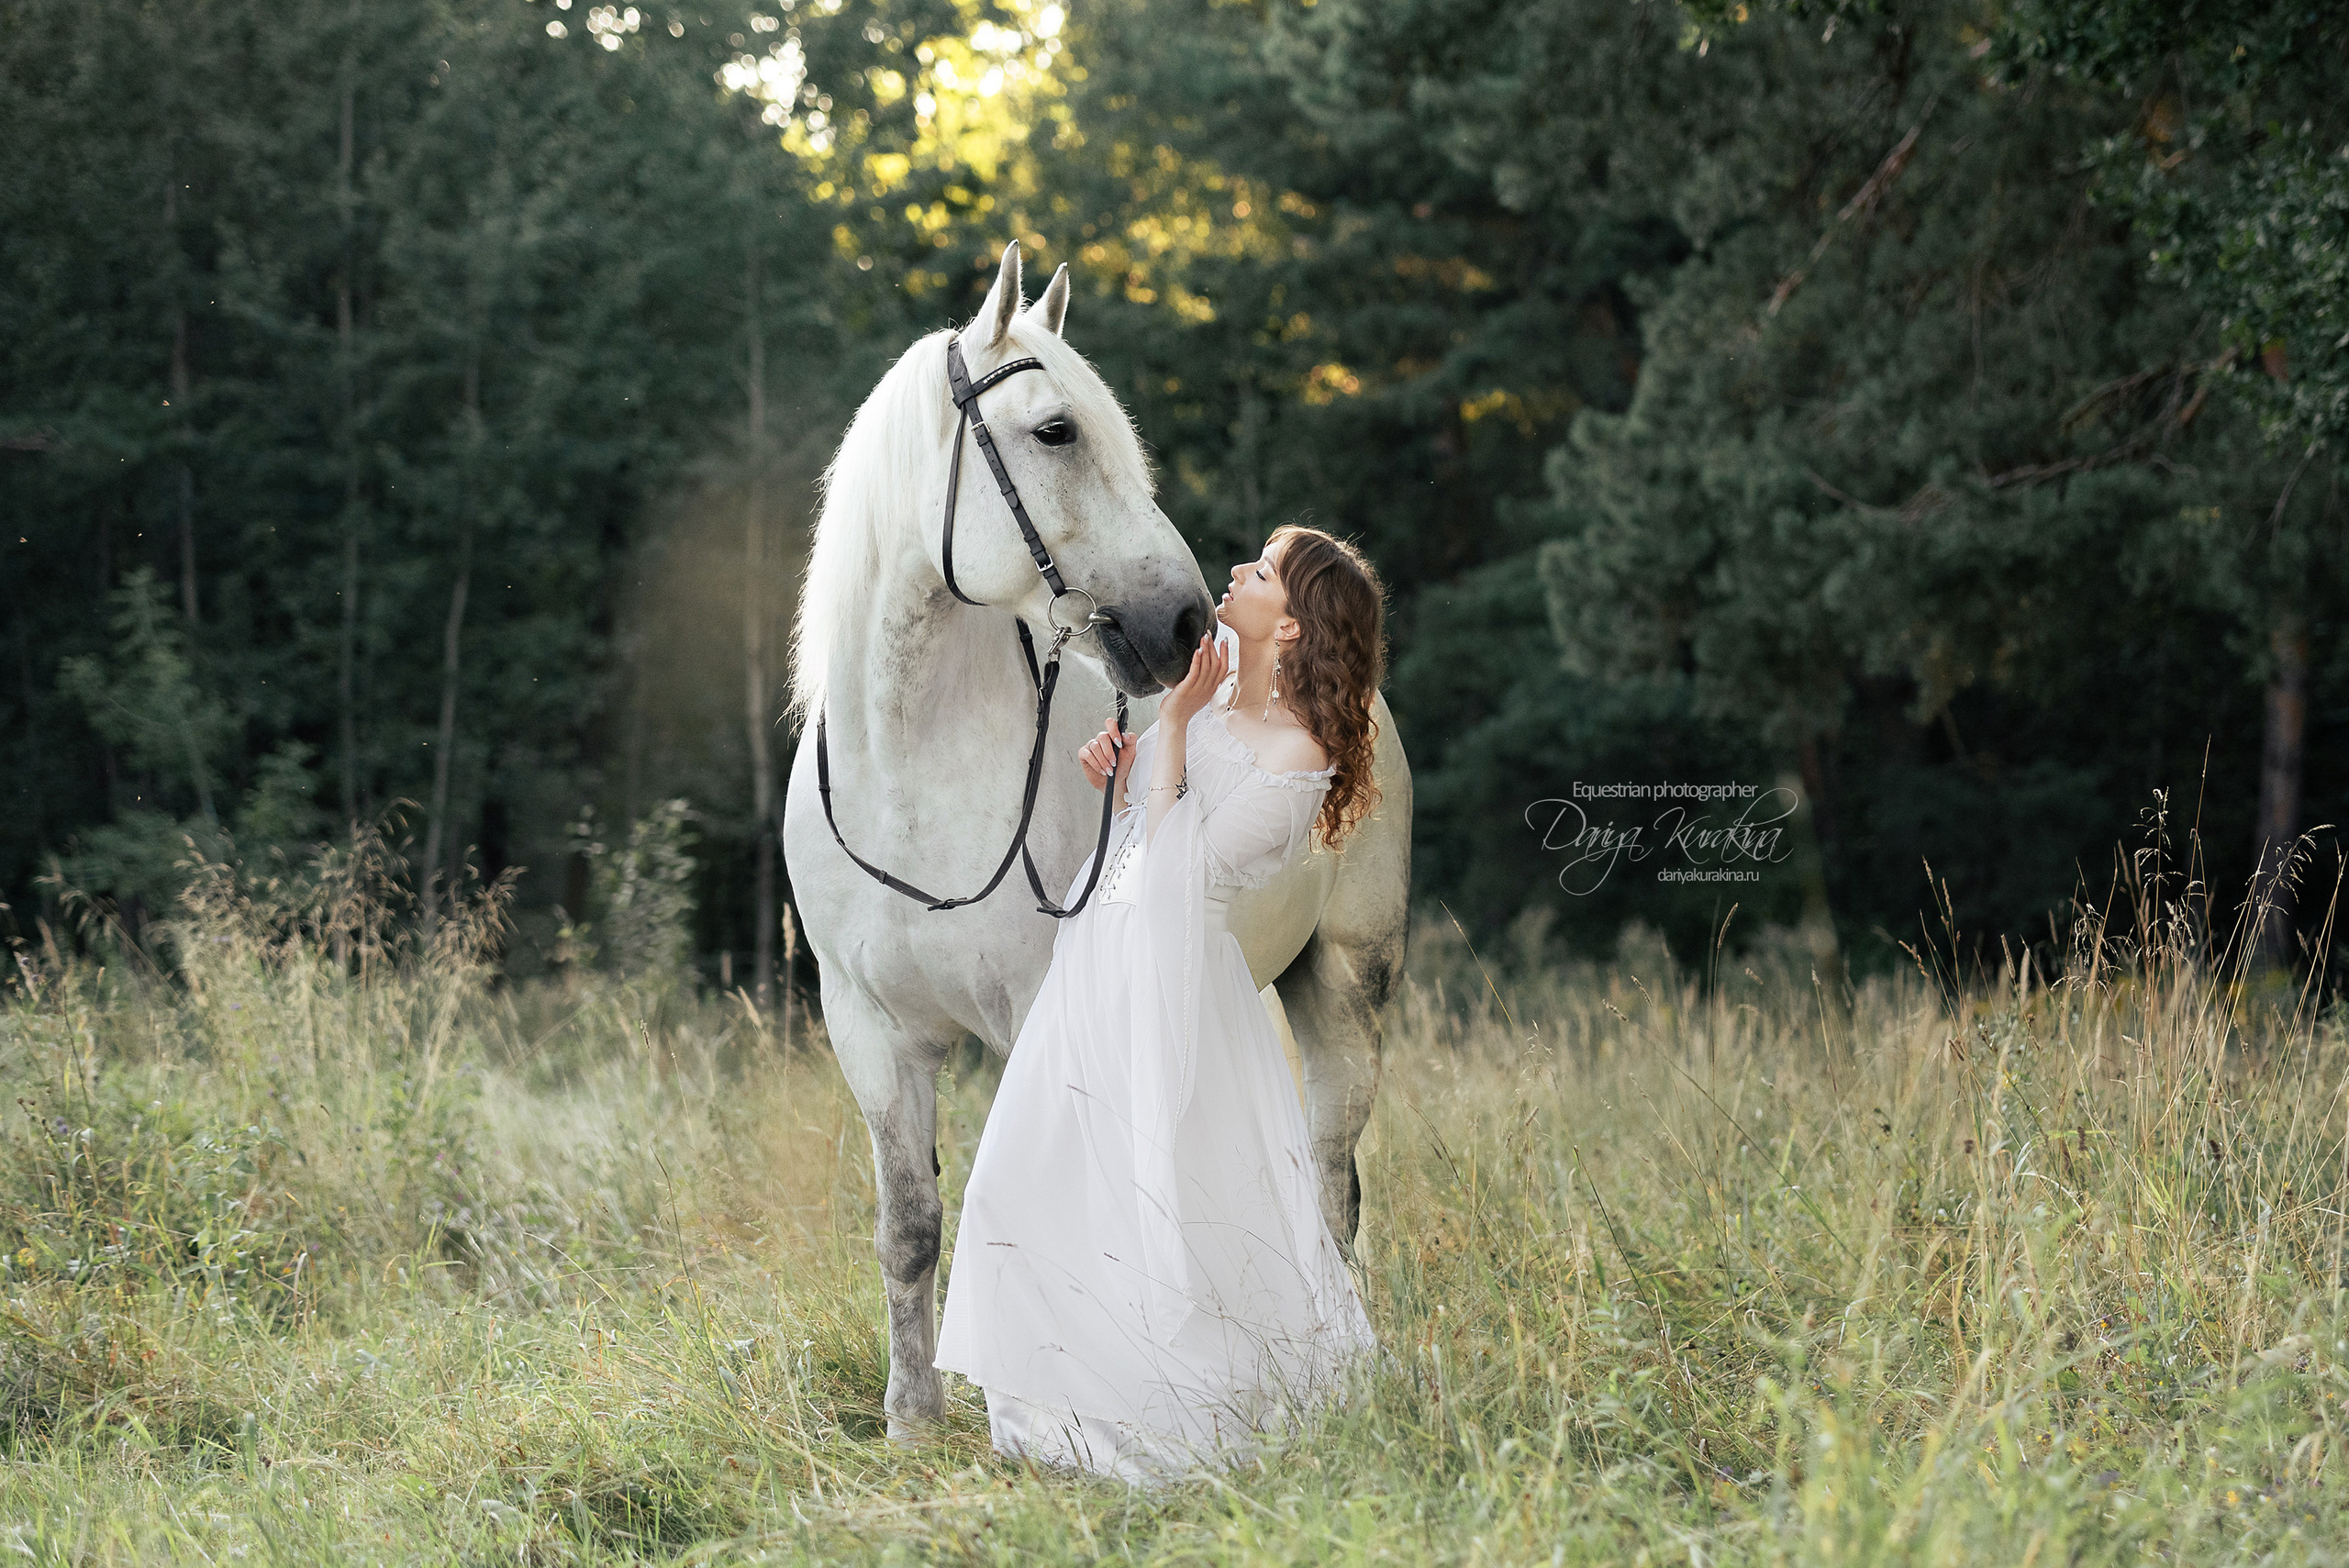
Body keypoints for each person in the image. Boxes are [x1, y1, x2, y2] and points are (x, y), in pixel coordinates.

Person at [933, 524, 1389, 1484]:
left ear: (1297, 627)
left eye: (1261, 572)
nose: (1234, 572)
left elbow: (1190, 875)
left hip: (1171, 973)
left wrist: (1171, 732)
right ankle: (1050, 1394)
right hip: (1101, 944)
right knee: (1035, 1165)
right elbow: (1148, 819)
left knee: (1157, 1191)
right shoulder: (1217, 687)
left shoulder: (1301, 754)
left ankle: (1162, 1401)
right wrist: (1122, 764)